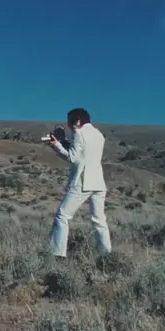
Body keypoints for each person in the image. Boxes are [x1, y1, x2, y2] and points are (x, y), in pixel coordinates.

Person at [47, 107, 112, 258]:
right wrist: (64, 143)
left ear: (77, 121)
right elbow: (83, 154)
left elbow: (73, 158)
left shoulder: (79, 133)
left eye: (70, 122)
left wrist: (57, 146)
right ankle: (106, 255)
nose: (69, 126)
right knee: (99, 220)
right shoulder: (99, 135)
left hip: (82, 181)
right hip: (98, 182)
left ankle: (57, 254)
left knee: (62, 216)